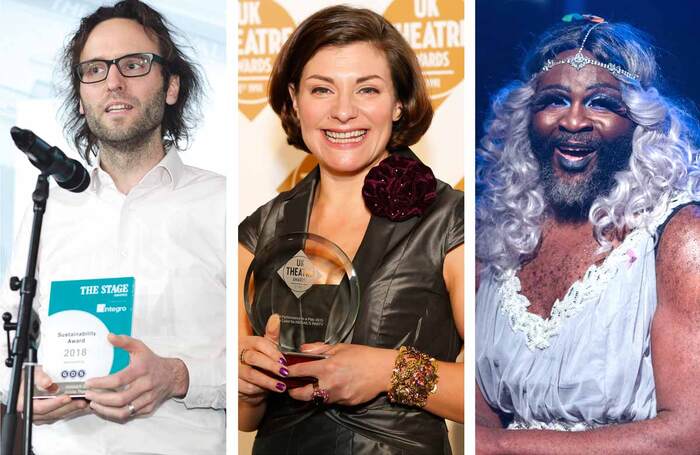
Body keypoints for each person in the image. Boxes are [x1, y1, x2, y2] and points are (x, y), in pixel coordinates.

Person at [0, 1, 225, 453]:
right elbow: (9, 342)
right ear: (82, 98)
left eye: (134, 64)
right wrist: (23, 387)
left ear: (172, 86)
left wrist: (180, 376)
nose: (114, 82)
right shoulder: (48, 206)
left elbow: (252, 365)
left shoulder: (222, 202)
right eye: (95, 70)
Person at [238, 5, 464, 454]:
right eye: (322, 89)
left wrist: (386, 372)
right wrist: (248, 385)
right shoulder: (260, 230)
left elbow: (485, 397)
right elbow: (248, 420)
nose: (343, 112)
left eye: (367, 89)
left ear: (398, 103)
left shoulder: (451, 219)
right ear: (295, 99)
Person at [475, 15, 700, 453]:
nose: (574, 121)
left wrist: (497, 448)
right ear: (526, 115)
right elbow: (482, 411)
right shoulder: (498, 237)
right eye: (555, 100)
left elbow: (690, 436)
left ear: (638, 120)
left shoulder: (678, 239)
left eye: (601, 103)